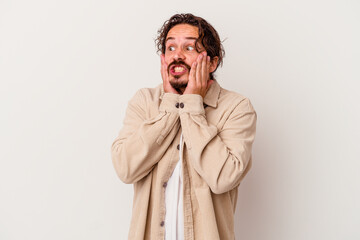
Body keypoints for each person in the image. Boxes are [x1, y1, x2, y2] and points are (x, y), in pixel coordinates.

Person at [111, 13, 257, 240]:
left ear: (212, 62)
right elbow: (125, 168)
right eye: (170, 48)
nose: (177, 55)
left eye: (189, 48)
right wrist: (170, 107)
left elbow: (223, 178)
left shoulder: (236, 108)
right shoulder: (144, 101)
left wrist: (191, 106)